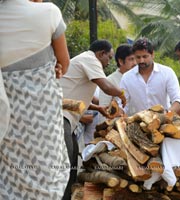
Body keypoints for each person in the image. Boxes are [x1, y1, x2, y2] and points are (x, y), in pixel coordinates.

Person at [0, 0, 70, 199]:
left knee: (9, 180)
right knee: (47, 177)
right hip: (42, 122)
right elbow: (64, 64)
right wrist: (52, 66)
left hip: (7, 123)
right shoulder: (48, 12)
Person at [59, 39, 126, 199]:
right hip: (59, 118)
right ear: (101, 53)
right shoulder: (90, 59)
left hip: (66, 117)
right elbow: (106, 86)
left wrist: (99, 108)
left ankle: (68, 196)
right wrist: (122, 94)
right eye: (109, 57)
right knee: (65, 163)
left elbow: (77, 99)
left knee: (73, 158)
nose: (109, 62)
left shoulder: (86, 61)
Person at [119, 38, 180, 116]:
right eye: (138, 57)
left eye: (145, 56)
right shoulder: (127, 78)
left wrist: (166, 114)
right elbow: (122, 104)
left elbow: (178, 100)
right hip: (139, 124)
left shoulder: (167, 73)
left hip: (164, 123)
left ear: (153, 54)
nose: (141, 61)